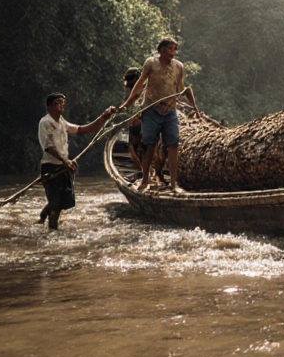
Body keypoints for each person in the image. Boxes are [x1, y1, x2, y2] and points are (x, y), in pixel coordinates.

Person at [120, 36, 200, 191]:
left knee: (173, 145)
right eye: (171, 49)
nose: (173, 52)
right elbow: (141, 82)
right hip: (151, 109)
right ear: (162, 51)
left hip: (170, 110)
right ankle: (145, 180)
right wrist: (127, 103)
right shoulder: (151, 63)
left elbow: (181, 88)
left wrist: (193, 105)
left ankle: (173, 184)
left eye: (175, 49)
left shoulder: (179, 66)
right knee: (149, 144)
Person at [38, 93, 116, 230]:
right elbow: (49, 147)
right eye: (57, 103)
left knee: (63, 201)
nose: (61, 105)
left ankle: (43, 217)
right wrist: (65, 161)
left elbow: (82, 129)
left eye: (63, 103)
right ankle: (52, 232)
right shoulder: (45, 122)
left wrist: (104, 117)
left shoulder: (62, 122)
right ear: (49, 106)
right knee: (55, 204)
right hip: (50, 167)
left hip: (63, 166)